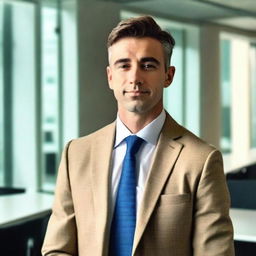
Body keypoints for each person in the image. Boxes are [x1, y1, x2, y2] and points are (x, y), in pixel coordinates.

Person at [42, 15, 234, 256]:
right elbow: (57, 249)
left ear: (168, 75)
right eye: (124, 65)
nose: (134, 77)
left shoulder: (201, 161)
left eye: (148, 65)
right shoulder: (76, 154)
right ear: (110, 77)